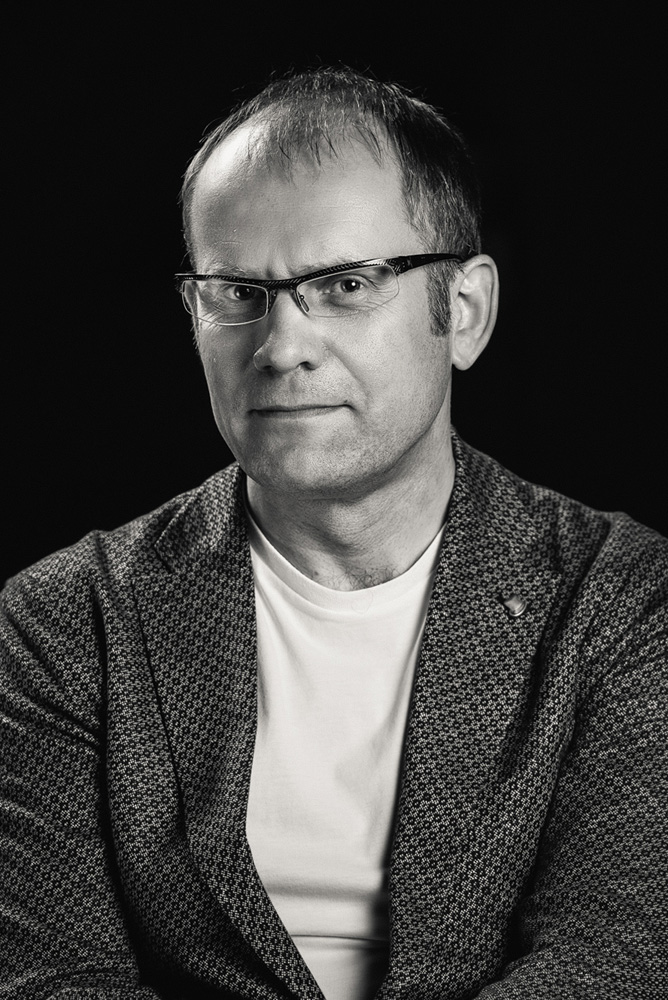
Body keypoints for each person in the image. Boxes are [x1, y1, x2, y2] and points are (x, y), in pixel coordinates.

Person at [1, 66, 666, 1000]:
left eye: (346, 284)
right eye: (238, 291)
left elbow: (613, 960)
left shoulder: (620, 599)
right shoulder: (66, 623)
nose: (281, 346)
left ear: (464, 312)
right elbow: (56, 981)